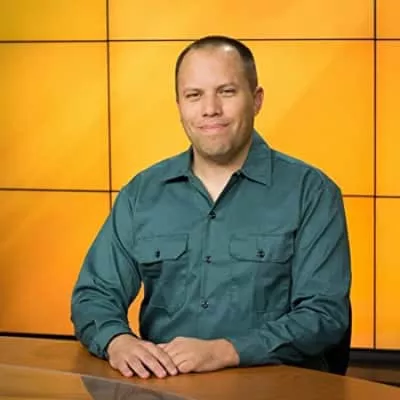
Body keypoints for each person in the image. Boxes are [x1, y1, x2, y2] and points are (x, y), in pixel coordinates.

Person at [71, 35, 351, 379]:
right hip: (165, 387)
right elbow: (94, 295)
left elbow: (324, 315)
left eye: (226, 92)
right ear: (179, 105)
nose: (210, 109)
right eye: (194, 95)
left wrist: (226, 351)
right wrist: (118, 341)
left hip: (276, 389)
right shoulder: (141, 193)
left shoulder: (311, 192)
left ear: (257, 100)